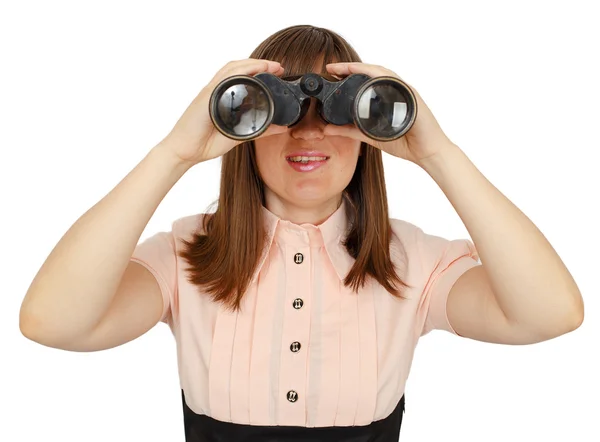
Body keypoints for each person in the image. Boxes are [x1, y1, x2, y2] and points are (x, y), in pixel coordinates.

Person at [19, 25, 584, 441]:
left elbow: (550, 313)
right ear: (247, 125)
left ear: (368, 128)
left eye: (339, 112)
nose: (308, 132)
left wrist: (438, 153)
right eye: (283, 109)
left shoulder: (412, 264)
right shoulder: (185, 257)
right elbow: (53, 323)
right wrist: (175, 152)